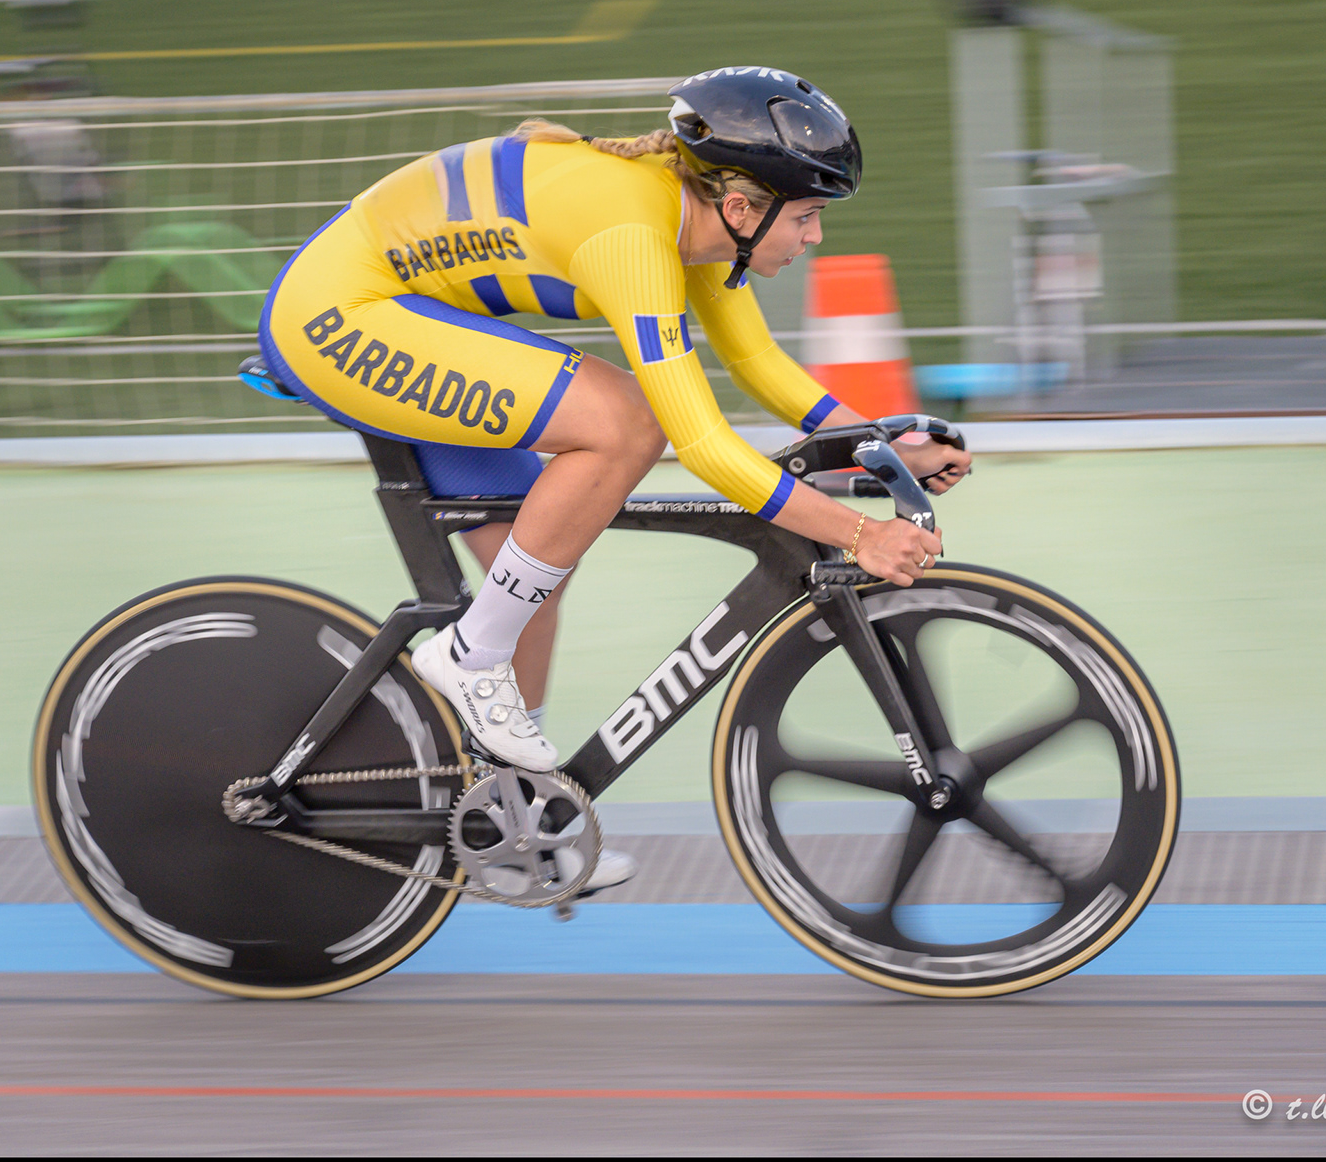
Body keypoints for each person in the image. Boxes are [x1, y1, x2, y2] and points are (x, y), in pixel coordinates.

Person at [258, 66, 971, 891]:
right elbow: (699, 441)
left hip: (408, 317)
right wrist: (857, 531)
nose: (813, 238)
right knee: (627, 422)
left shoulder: (699, 226)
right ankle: (466, 659)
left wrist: (877, 443)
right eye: (807, 217)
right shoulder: (632, 234)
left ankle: (512, 818)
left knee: (532, 572)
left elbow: (759, 364)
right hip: (338, 316)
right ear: (743, 206)